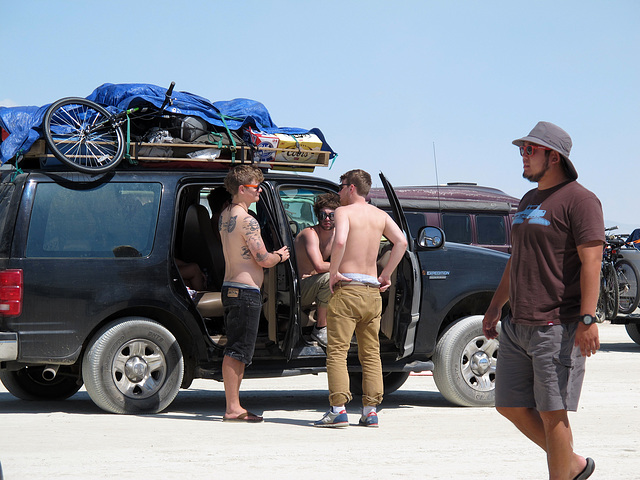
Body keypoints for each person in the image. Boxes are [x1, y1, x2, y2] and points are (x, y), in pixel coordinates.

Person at [482, 122, 603, 480]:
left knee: (553, 414)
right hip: (517, 324)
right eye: (522, 148)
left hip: (557, 325)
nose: (523, 154)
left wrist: (587, 318)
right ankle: (574, 464)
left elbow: (591, 262)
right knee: (508, 405)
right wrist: (494, 306)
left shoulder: (581, 200)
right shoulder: (528, 200)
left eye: (530, 149)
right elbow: (517, 257)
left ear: (554, 157)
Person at [314, 169, 408, 428]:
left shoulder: (344, 213)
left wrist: (333, 273)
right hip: (371, 292)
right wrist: (385, 275)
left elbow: (341, 241)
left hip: (348, 288)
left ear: (352, 188)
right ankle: (370, 411)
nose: (339, 192)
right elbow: (401, 242)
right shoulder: (380, 215)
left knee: (337, 352)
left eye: (341, 186)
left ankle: (338, 409)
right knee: (371, 354)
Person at [219, 165, 290, 422]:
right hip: (245, 290)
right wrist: (280, 256)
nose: (259, 190)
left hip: (231, 287)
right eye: (254, 187)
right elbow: (262, 258)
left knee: (236, 349)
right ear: (241, 189)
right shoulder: (248, 220)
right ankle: (233, 408)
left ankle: (234, 406)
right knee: (238, 351)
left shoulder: (225, 215)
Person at [293, 192, 341, 346]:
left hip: (314, 286)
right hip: (298, 288)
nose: (327, 219)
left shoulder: (337, 236)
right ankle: (320, 327)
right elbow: (319, 266)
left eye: (332, 215)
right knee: (329, 278)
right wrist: (347, 268)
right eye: (322, 215)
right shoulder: (310, 234)